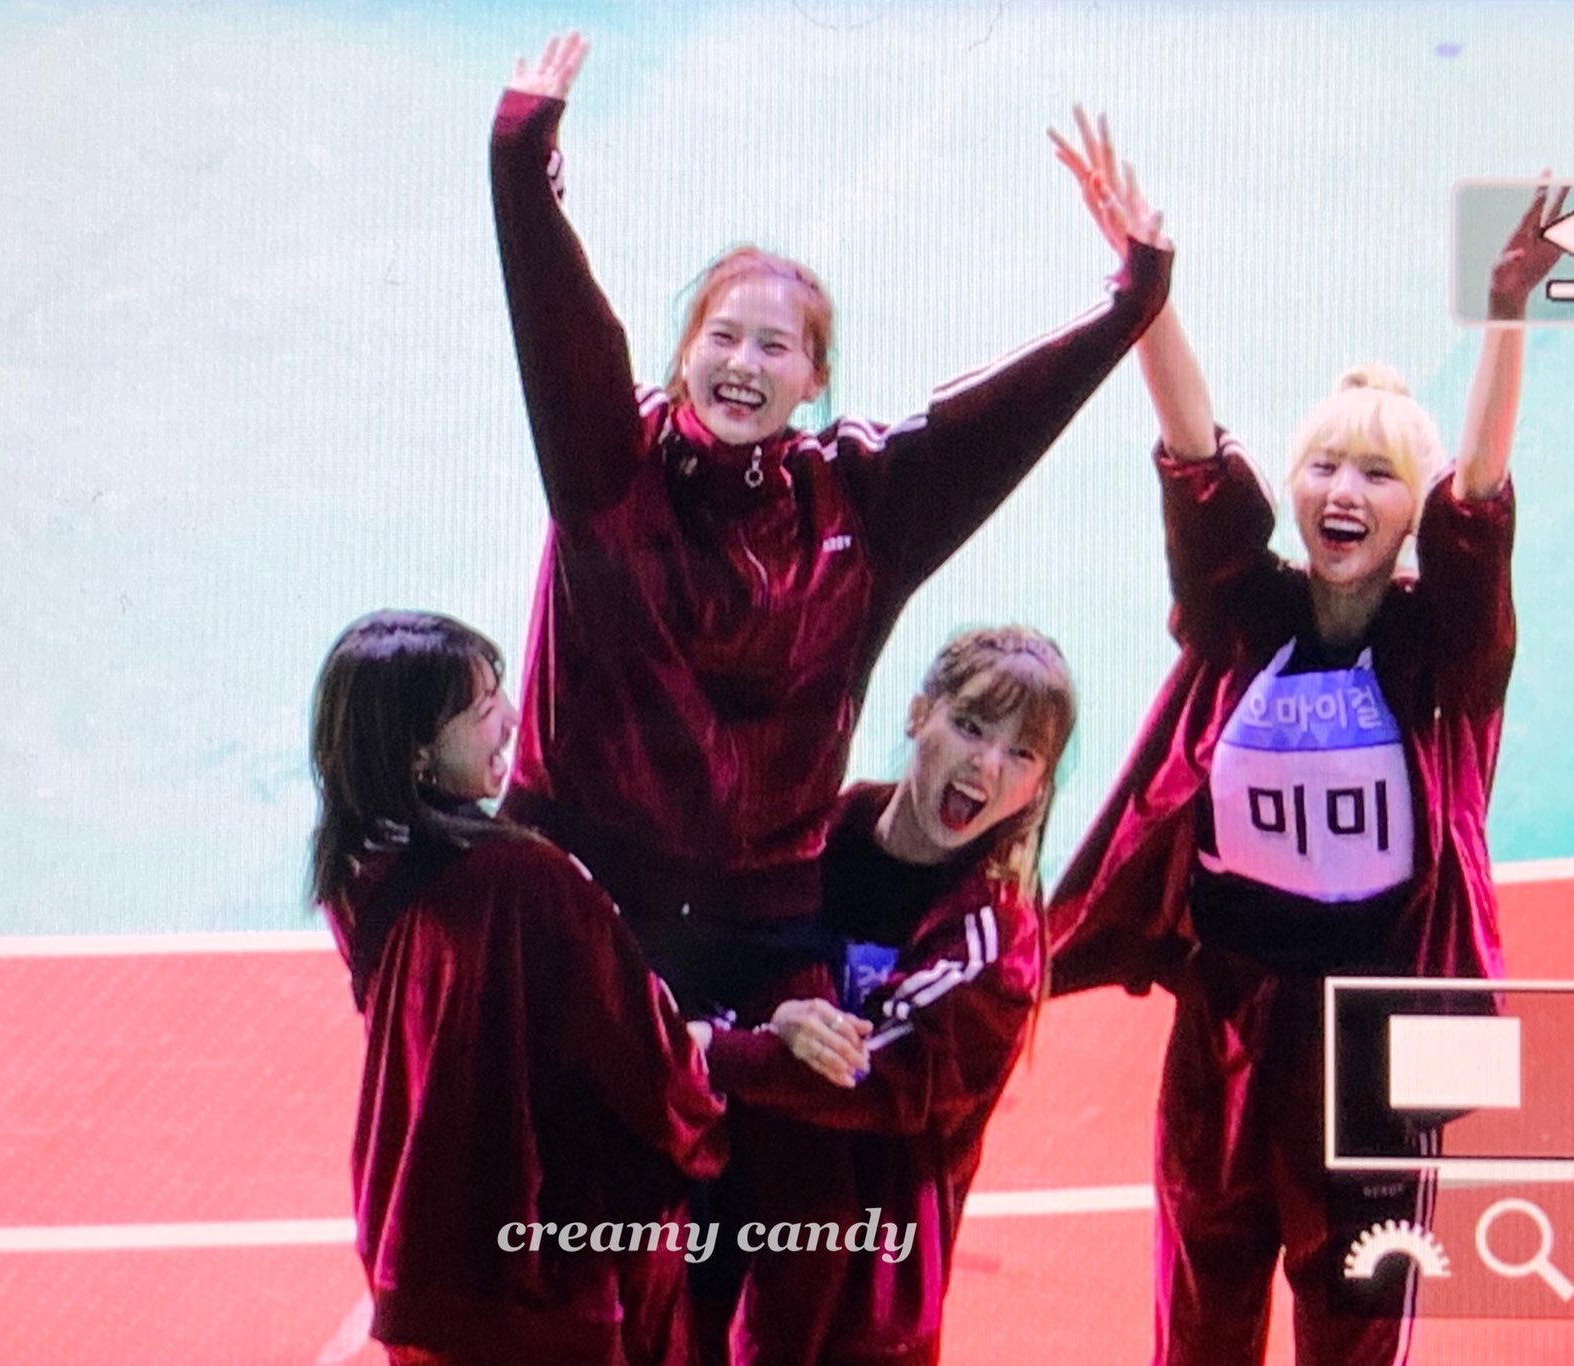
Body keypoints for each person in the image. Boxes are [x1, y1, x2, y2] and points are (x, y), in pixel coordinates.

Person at [490, 31, 1172, 1022]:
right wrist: (521, 161)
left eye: (775, 347)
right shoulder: (608, 464)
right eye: (722, 337)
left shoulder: (859, 503)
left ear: (814, 379)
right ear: (683, 358)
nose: (744, 364)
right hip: (579, 901)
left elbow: (996, 423)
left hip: (758, 935)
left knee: (784, 1110)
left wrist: (1128, 306)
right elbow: (558, 324)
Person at [1040, 110, 1566, 1366]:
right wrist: (1145, 292)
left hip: (1375, 1028)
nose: (1343, 490)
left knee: (1357, 1325)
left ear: (1410, 511)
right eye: (1323, 466)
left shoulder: (1440, 652)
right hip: (1224, 1013)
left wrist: (1504, 316)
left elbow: (1479, 505)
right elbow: (1192, 456)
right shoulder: (1245, 616)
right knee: (1200, 1315)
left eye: (1377, 476)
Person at [309, 610, 727, 1366]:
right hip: (543, 1279)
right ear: (417, 753)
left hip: (424, 1265)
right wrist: (734, 1053)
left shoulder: (355, 874)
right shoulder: (523, 882)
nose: (511, 719)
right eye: (482, 709)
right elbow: (654, 1076)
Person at [695, 626, 1075, 1366]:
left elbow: (878, 1080)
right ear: (918, 714)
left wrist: (722, 1047)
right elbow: (714, 965)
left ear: (1038, 787)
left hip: (860, 1301)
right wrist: (764, 1023)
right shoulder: (809, 839)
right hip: (724, 1231)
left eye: (1022, 754)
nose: (986, 765)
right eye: (971, 726)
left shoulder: (996, 940)